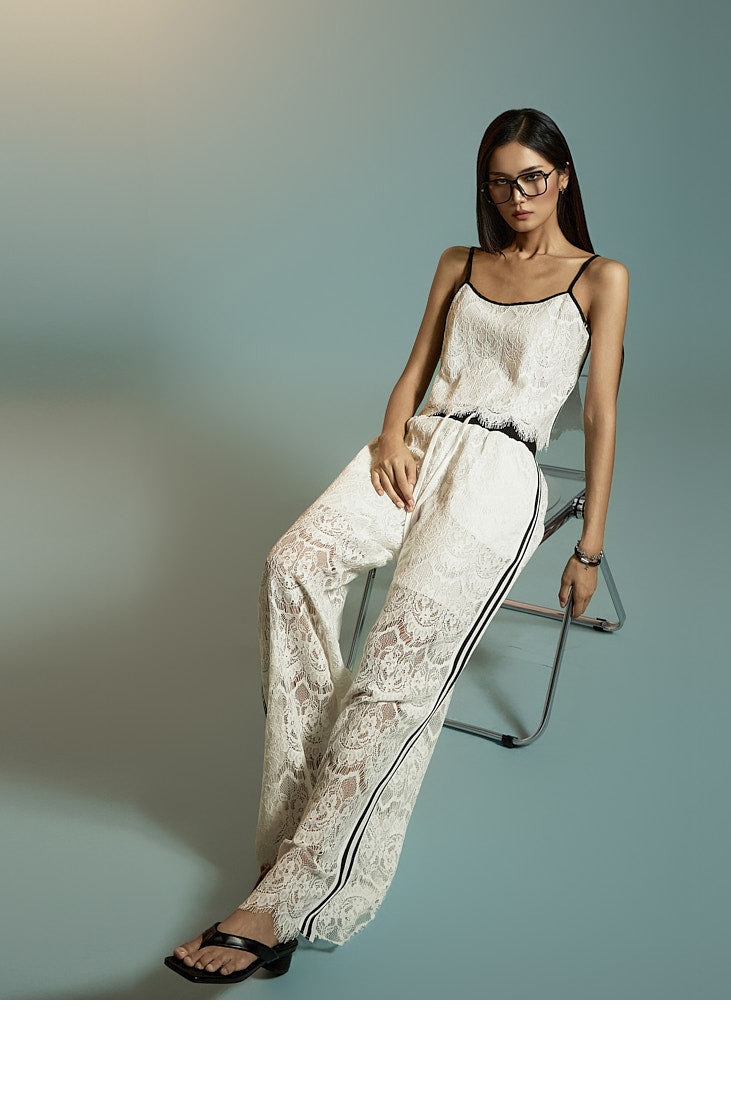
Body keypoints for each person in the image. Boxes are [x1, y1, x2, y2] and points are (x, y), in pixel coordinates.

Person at [163, 106, 629, 983]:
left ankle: (278, 899)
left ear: (564, 176)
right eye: (501, 181)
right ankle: (295, 832)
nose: (518, 195)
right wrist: (389, 434)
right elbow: (416, 367)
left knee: (394, 670)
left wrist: (590, 547)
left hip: (501, 476)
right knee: (292, 566)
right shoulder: (461, 262)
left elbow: (600, 416)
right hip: (417, 446)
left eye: (534, 177)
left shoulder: (601, 278)